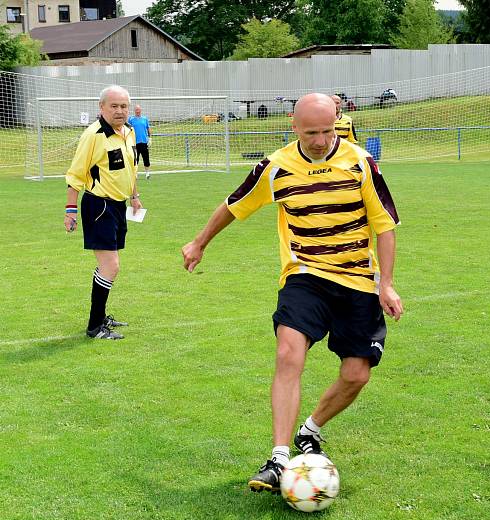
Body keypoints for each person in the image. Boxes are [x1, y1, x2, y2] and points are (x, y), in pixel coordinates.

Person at [181, 93, 402, 493]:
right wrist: (199, 243)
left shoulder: (360, 163)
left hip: (357, 281)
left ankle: (310, 430)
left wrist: (386, 282)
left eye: (327, 130)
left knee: (357, 374)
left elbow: (384, 224)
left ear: (338, 121)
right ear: (293, 125)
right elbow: (233, 205)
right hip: (305, 274)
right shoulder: (276, 166)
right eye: (312, 132)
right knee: (288, 352)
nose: (320, 140)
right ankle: (279, 457)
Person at [64, 85, 143, 340]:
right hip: (99, 206)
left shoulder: (129, 131)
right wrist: (70, 211)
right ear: (102, 107)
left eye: (123, 106)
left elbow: (131, 168)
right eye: (114, 106)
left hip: (119, 206)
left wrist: (134, 196)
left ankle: (100, 317)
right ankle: (95, 326)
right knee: (111, 266)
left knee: (107, 266)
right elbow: (76, 174)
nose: (120, 111)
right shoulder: (93, 135)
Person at [128, 104, 151, 179]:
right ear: (134, 111)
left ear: (140, 110)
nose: (138, 111)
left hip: (144, 142)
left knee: (146, 158)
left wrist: (150, 138)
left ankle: (147, 174)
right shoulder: (131, 119)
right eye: (136, 110)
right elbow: (128, 129)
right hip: (135, 142)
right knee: (135, 159)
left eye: (139, 110)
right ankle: (135, 174)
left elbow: (148, 128)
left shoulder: (145, 119)